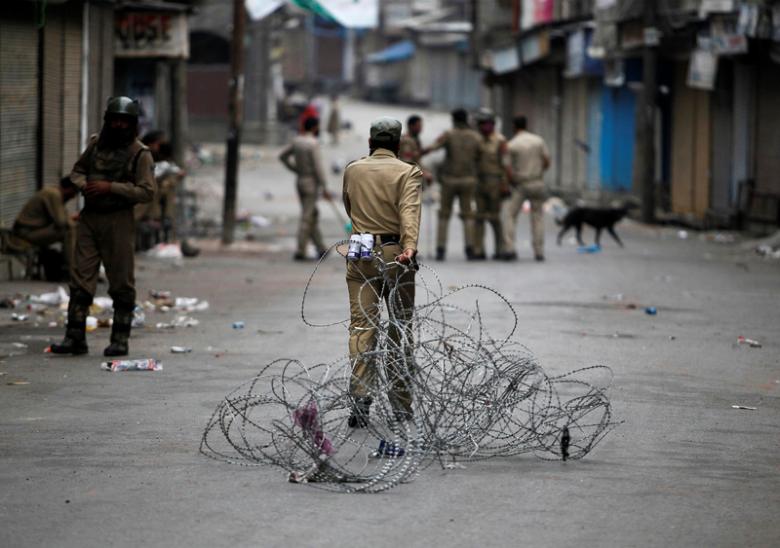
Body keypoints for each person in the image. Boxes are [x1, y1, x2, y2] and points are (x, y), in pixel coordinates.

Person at [50, 96, 155, 357]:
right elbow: (76, 171)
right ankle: (74, 337)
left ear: (131, 124)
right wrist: (85, 185)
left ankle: (120, 339)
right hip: (90, 218)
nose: (118, 125)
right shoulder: (96, 145)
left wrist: (111, 187)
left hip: (118, 220)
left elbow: (146, 191)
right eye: (114, 120)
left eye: (124, 121)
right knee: (80, 279)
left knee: (120, 281)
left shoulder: (139, 153)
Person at [342, 117, 422, 427]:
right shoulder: (408, 172)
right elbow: (409, 212)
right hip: (395, 251)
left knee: (362, 326)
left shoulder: (353, 169)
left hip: (360, 248)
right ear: (398, 145)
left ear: (370, 143)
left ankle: (361, 400)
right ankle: (401, 406)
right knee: (399, 328)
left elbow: (348, 205)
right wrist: (410, 246)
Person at [421, 108, 481, 261]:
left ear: (453, 120)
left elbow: (433, 147)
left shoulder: (448, 135)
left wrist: (418, 153)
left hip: (449, 180)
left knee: (444, 214)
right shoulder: (475, 137)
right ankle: (470, 248)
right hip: (468, 180)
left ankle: (441, 249)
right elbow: (482, 155)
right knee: (468, 214)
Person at [279, 116, 330, 260]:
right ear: (314, 128)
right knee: (307, 217)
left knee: (312, 214)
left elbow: (282, 156)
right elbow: (318, 167)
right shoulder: (313, 143)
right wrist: (324, 186)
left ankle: (321, 247)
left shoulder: (297, 141)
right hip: (311, 183)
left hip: (300, 180)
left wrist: (295, 169)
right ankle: (300, 250)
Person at [502, 115, 550, 261]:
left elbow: (508, 168)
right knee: (538, 217)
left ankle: (510, 248)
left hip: (521, 184)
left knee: (510, 215)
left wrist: (511, 182)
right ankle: (539, 251)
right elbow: (547, 160)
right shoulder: (538, 140)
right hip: (537, 182)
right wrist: (540, 172)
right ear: (526, 125)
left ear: (514, 127)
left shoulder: (512, 144)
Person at [11, 176, 79, 280]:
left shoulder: (54, 193)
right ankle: (72, 271)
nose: (74, 196)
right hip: (25, 234)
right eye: (75, 192)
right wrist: (73, 222)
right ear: (69, 188)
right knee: (68, 231)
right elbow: (60, 222)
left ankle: (74, 268)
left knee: (72, 229)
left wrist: (72, 220)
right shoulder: (53, 194)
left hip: (32, 231)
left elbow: (61, 218)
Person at [473, 109, 507, 260]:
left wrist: (504, 184)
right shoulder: (475, 140)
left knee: (495, 218)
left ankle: (501, 249)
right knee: (479, 217)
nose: (483, 127)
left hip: (494, 181)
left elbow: (505, 165)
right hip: (479, 181)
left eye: (485, 124)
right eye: (481, 124)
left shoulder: (500, 140)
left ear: (492, 124)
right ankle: (478, 249)